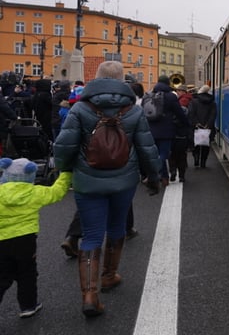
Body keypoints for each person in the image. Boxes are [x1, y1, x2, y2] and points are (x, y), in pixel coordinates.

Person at [53, 61, 161, 317]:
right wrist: (153, 176)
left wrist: (65, 171)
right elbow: (147, 147)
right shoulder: (133, 110)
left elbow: (63, 146)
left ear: (97, 78)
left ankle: (90, 295)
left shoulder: (80, 108)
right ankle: (109, 276)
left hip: (87, 181)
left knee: (91, 235)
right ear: (122, 80)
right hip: (124, 181)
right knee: (116, 228)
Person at [0, 158, 71, 318]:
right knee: (27, 273)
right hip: (26, 240)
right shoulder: (34, 192)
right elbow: (56, 192)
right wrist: (66, 173)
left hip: (1, 240)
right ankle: (28, 306)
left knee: (3, 275)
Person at [147, 75, 190, 186]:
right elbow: (179, 113)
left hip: (151, 130)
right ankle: (163, 176)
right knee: (163, 155)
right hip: (166, 131)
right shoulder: (171, 96)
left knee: (154, 155)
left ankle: (159, 177)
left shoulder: (149, 95)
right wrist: (187, 124)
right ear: (167, 84)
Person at [188, 85, 217, 168]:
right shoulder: (212, 102)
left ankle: (196, 159)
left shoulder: (194, 101)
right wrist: (208, 124)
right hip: (208, 127)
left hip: (196, 127)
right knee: (205, 144)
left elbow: (191, 113)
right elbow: (213, 114)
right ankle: (203, 162)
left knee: (196, 143)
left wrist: (196, 123)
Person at [168, 85, 192, 182]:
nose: (177, 92)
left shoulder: (172, 110)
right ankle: (182, 176)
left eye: (178, 90)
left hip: (173, 135)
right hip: (183, 136)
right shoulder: (186, 109)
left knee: (172, 155)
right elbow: (188, 123)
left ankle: (173, 171)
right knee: (182, 156)